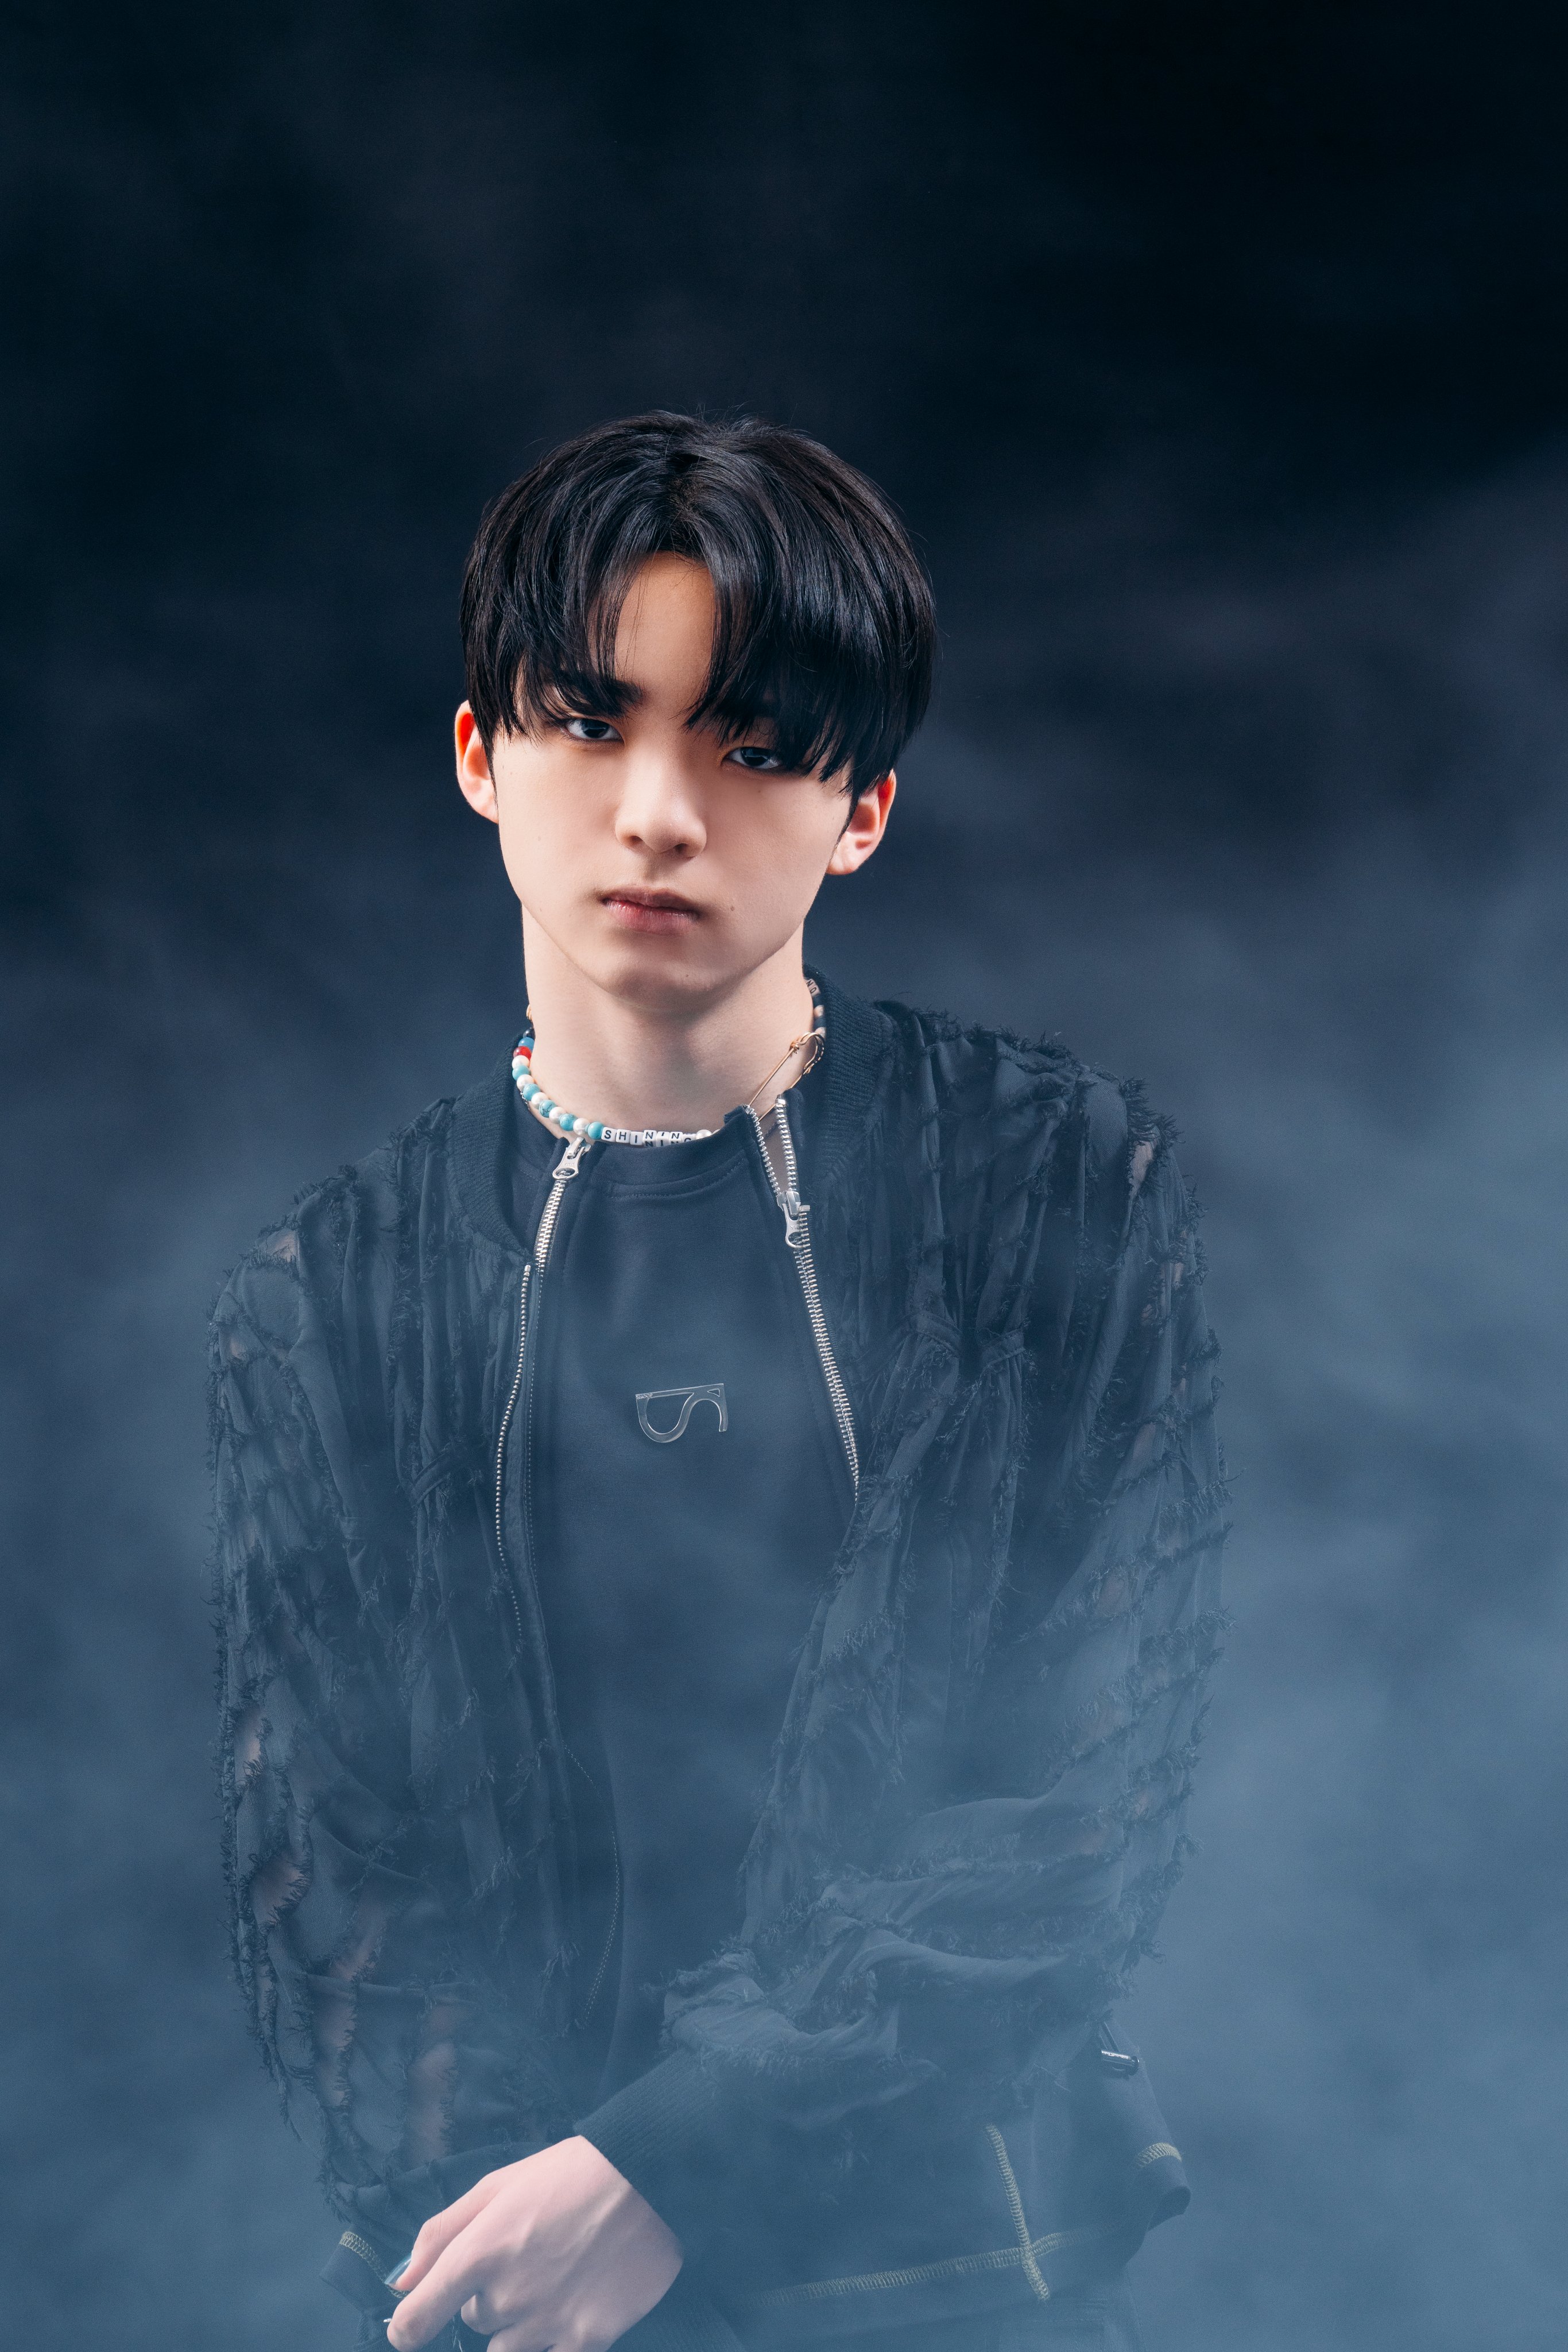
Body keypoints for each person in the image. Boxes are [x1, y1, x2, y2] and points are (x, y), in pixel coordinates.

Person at [211, 412, 1226, 2352]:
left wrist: (674, 2165)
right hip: (522, 2286)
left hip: (960, 2280)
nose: (660, 811)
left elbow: (1070, 1798)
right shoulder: (335, 1283)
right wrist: (536, 2222)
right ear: (479, 757)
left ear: (864, 811)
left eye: (753, 746)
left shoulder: (1045, 1185)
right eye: (592, 726)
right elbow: (339, 1873)